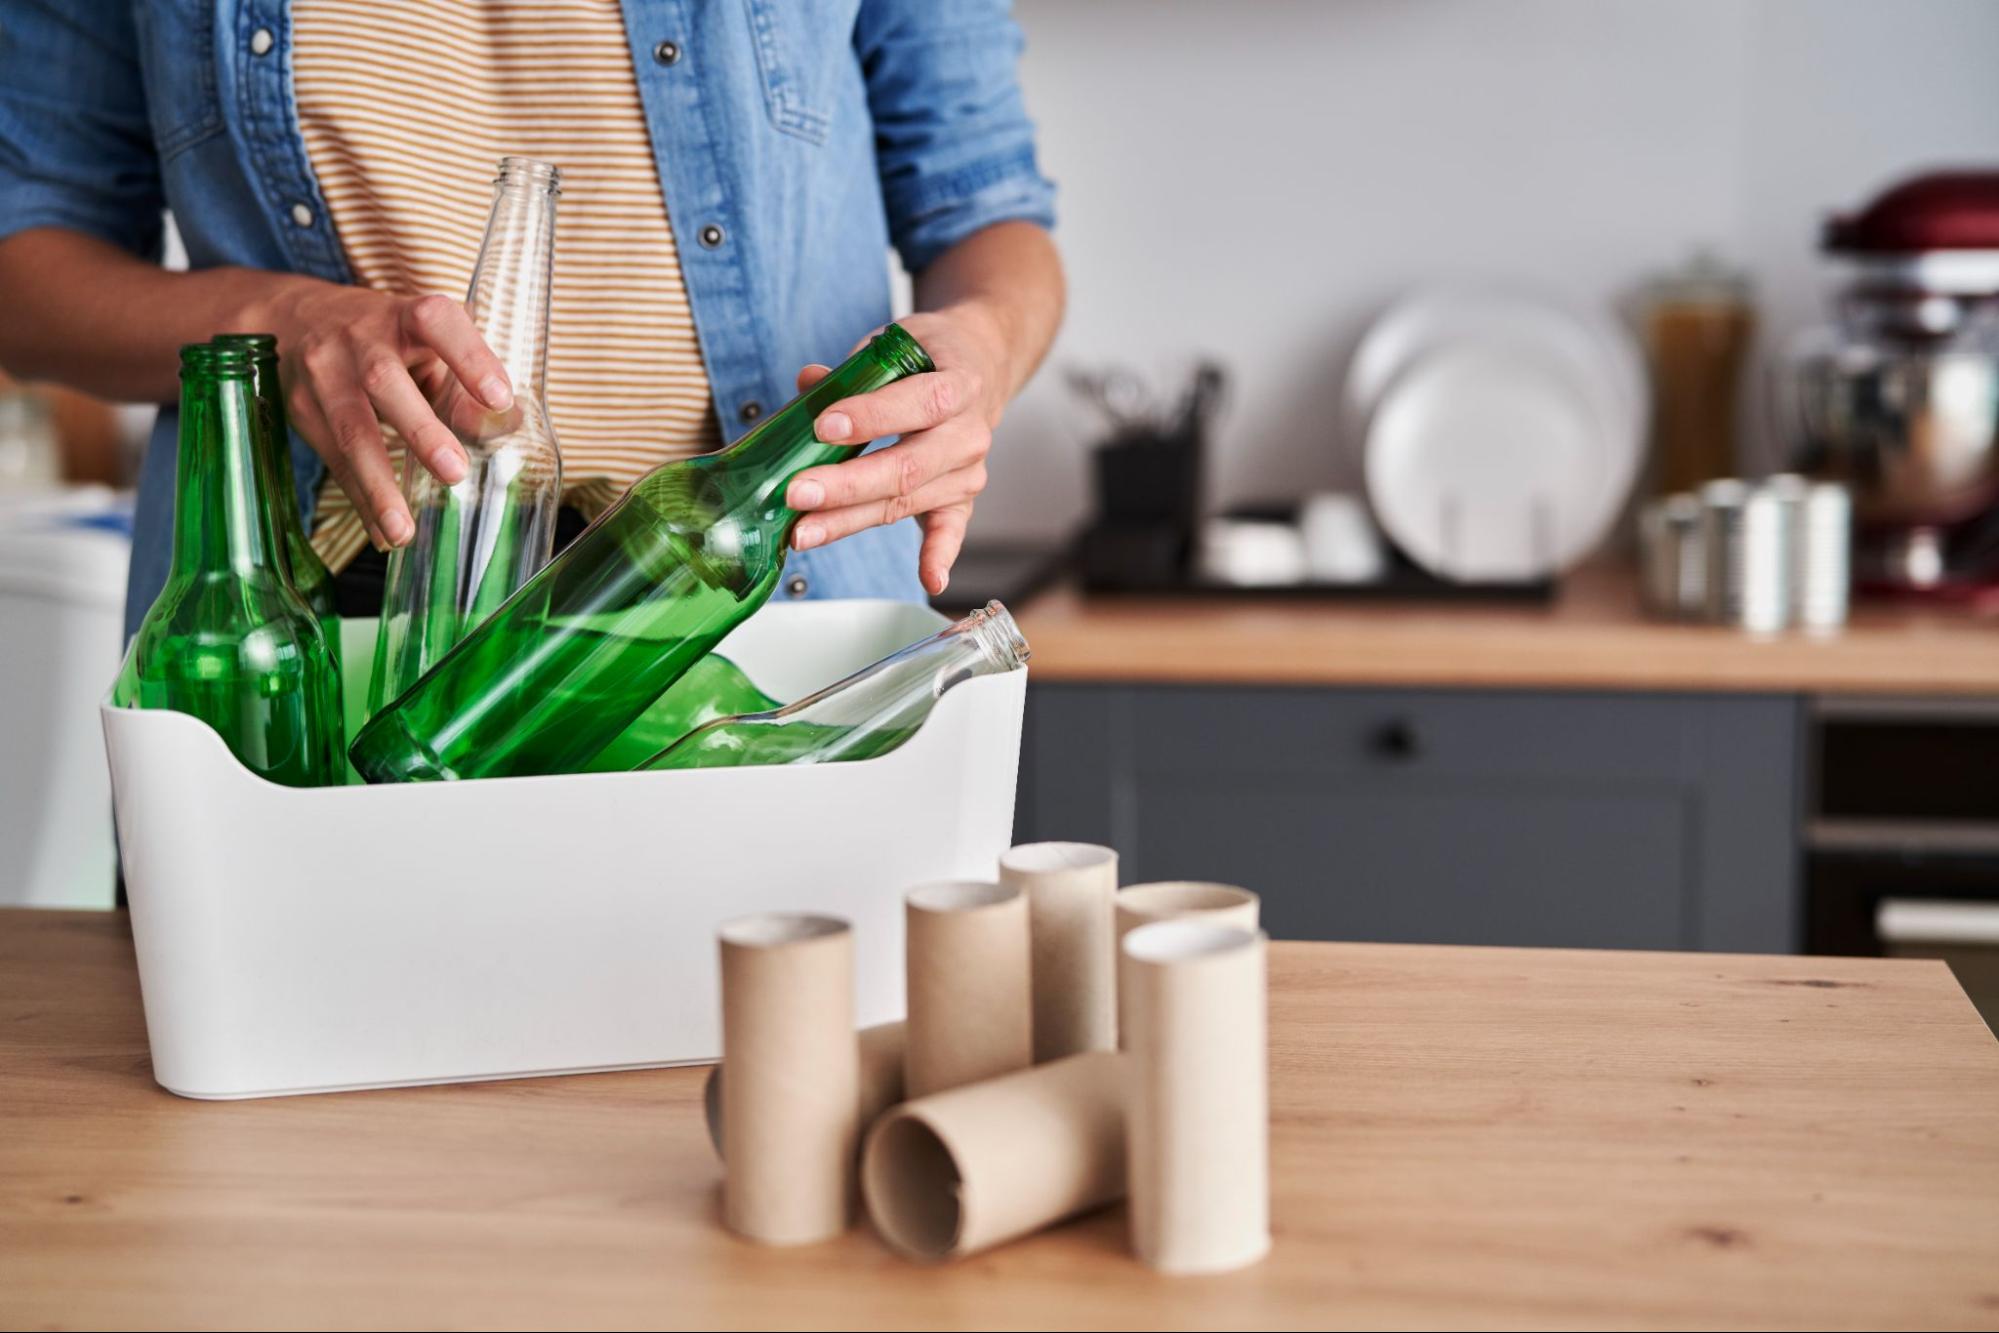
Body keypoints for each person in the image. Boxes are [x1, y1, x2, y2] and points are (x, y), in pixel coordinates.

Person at [0, 1, 1063, 637]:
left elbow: (986, 207)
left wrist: (980, 353)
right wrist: (272, 323)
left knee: (796, 1016)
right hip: (335, 647)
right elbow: (27, 259)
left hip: (772, 615)